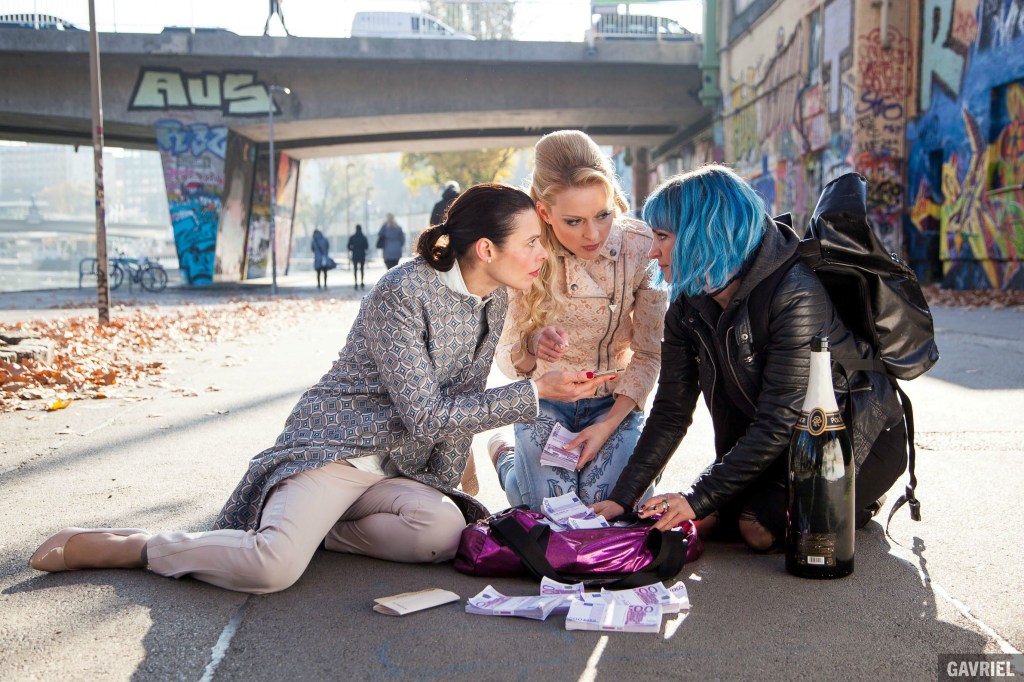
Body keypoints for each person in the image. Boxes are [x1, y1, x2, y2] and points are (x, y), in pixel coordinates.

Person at [28, 184, 613, 594]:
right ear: (487, 249)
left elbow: (461, 392)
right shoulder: (403, 293)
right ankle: (140, 546)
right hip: (335, 451)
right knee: (269, 570)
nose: (544, 252)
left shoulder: (493, 294)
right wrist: (534, 390)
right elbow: (430, 414)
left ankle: (316, 529)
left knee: (441, 534)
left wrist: (532, 358)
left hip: (394, 472)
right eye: (534, 241)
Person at [591, 165, 908, 552]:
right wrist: (624, 498)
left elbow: (778, 419)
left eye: (662, 236)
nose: (652, 250)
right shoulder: (689, 305)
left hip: (852, 443)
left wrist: (696, 497)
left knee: (754, 528)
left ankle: (852, 505)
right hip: (775, 446)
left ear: (703, 233)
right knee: (696, 522)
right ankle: (773, 496)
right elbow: (671, 410)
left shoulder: (795, 294)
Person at [490, 130, 667, 511]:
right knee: (555, 510)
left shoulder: (640, 247)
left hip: (613, 404)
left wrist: (608, 425)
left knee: (607, 505)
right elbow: (505, 357)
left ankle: (632, 460)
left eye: (603, 215)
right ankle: (507, 460)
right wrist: (532, 346)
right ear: (544, 213)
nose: (593, 234)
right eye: (573, 221)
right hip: (546, 403)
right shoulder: (523, 252)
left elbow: (650, 354)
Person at [347, 224, 369, 290]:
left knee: (355, 269)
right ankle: (362, 282)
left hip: (355, 254)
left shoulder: (352, 237)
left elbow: (348, 246)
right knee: (362, 269)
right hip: (362, 254)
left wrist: (353, 249)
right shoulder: (363, 237)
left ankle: (356, 283)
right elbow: (366, 246)